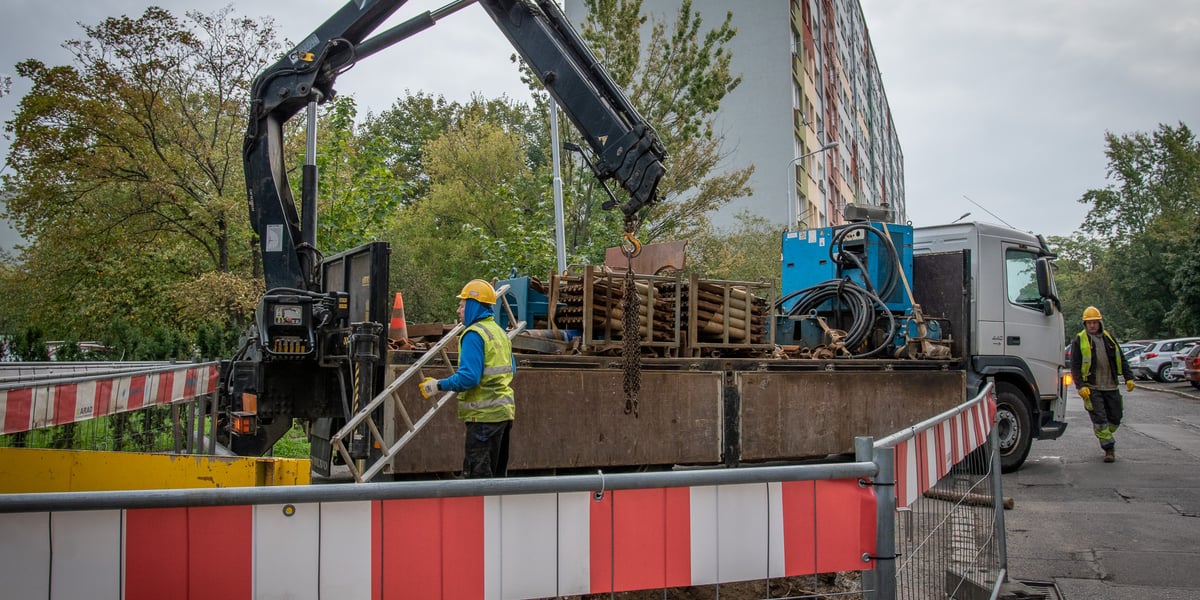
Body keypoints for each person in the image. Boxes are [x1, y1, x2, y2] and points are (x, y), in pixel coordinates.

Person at [419, 279, 516, 478]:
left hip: (483, 418)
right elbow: (512, 370)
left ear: (473, 305)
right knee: (497, 477)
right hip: (503, 415)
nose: (458, 310)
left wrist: (437, 385)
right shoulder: (499, 332)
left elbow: (469, 378)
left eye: (462, 305)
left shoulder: (473, 334)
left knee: (477, 480)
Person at [1069, 306, 1135, 463]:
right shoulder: (1080, 340)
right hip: (1093, 388)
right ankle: (1109, 449)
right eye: (1089, 322)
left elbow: (1121, 358)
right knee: (1100, 419)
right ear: (1085, 324)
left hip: (1111, 386)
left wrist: (1129, 377)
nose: (1092, 325)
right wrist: (1080, 386)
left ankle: (1106, 434)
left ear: (1100, 323)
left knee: (1116, 417)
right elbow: (1075, 366)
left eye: (1095, 322)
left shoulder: (1109, 338)